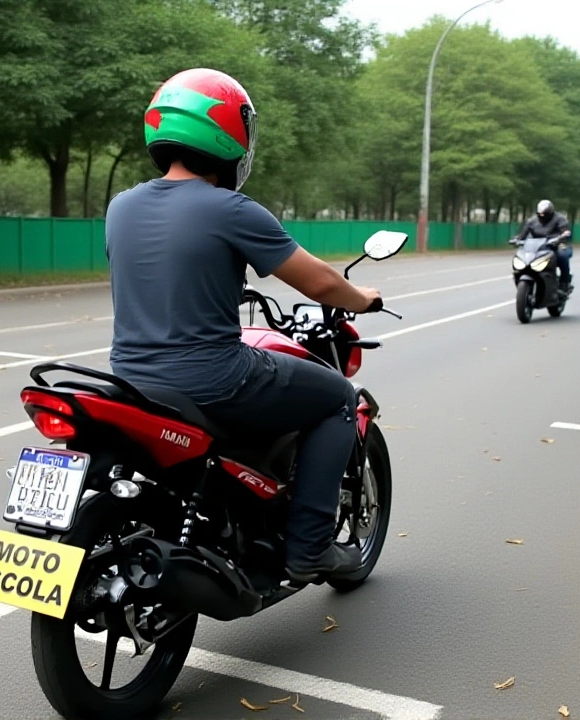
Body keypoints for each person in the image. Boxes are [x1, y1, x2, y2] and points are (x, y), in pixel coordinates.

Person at [104, 67, 382, 583]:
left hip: (130, 380)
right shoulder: (230, 209)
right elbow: (319, 283)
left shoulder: (121, 207)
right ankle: (311, 550)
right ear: (228, 134)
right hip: (212, 378)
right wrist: (362, 298)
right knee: (337, 398)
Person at [515, 199, 574, 294]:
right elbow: (523, 235)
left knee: (562, 256)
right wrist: (517, 240)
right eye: (540, 214)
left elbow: (565, 231)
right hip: (539, 247)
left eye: (545, 214)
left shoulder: (560, 219)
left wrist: (562, 236)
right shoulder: (532, 221)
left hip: (558, 244)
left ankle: (564, 282)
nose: (542, 216)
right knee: (524, 258)